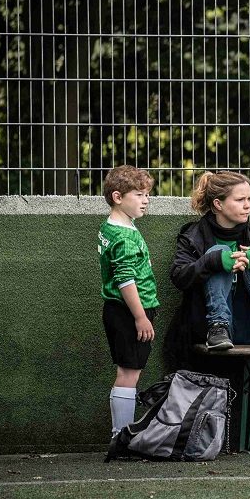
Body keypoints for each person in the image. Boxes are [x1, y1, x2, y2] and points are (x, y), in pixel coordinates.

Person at [170, 171, 250, 353]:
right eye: (240, 200)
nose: (247, 206)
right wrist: (211, 261)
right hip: (208, 330)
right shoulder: (193, 235)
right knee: (218, 252)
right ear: (218, 204)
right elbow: (179, 276)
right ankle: (218, 325)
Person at [98, 165, 158, 438]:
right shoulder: (123, 236)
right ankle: (120, 435)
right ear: (117, 197)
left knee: (128, 371)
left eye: (147, 195)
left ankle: (120, 433)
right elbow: (125, 280)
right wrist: (140, 316)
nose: (146, 200)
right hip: (129, 311)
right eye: (139, 194)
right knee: (129, 373)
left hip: (120, 310)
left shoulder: (113, 226)